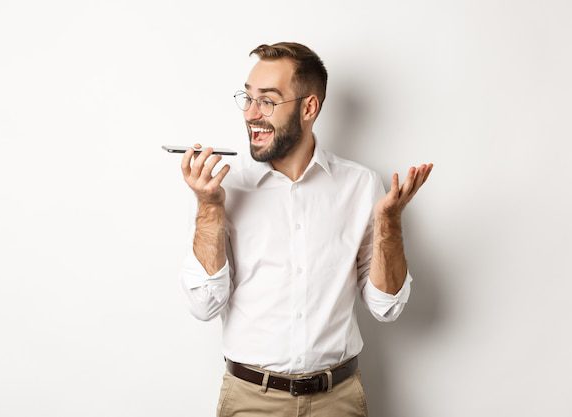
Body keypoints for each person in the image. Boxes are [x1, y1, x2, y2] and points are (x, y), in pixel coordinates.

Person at [178, 42, 433, 417]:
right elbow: (203, 305)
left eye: (267, 101)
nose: (251, 114)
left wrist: (389, 225)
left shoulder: (360, 186)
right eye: (247, 98)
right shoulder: (223, 189)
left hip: (338, 401)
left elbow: (386, 309)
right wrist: (209, 209)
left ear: (309, 107)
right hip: (251, 402)